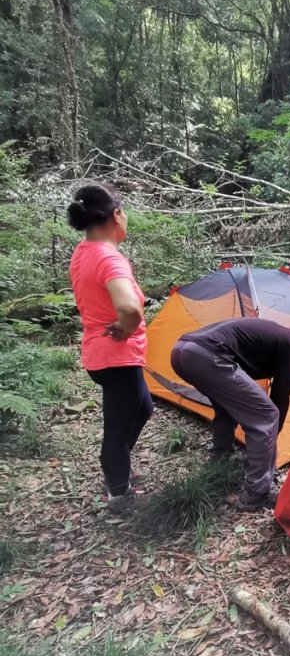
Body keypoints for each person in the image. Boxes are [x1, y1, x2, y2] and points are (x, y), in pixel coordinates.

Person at [170, 320, 290, 511]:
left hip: (183, 352)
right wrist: (270, 439)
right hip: (209, 356)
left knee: (226, 405)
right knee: (267, 415)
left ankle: (220, 459)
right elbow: (279, 398)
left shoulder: (281, 340)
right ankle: (257, 493)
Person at [68, 182, 153, 516]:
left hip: (101, 354)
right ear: (116, 215)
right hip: (116, 357)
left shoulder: (84, 250)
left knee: (143, 407)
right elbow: (130, 308)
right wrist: (127, 326)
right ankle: (118, 494)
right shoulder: (109, 259)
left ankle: (118, 466)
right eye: (125, 211)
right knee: (116, 429)